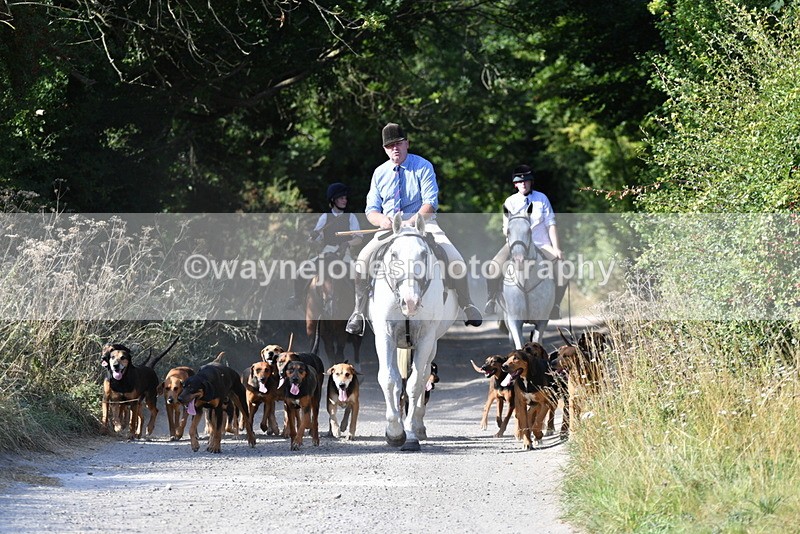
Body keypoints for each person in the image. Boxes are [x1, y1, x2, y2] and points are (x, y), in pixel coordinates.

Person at [344, 122, 483, 335]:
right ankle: (358, 312)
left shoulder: (422, 166)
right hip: (390, 228)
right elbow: (371, 210)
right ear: (384, 149)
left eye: (398, 144)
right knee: (363, 260)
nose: (395, 149)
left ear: (407, 143)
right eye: (390, 146)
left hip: (423, 224)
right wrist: (382, 221)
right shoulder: (379, 173)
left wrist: (411, 222)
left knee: (455, 258)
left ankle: (467, 304)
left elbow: (430, 202)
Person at [484, 164, 567, 319]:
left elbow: (550, 224)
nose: (523, 183)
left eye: (526, 181)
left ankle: (555, 306)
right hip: (516, 244)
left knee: (562, 271)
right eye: (520, 181)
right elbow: (505, 228)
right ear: (515, 184)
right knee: (493, 266)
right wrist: (514, 241)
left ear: (531, 182)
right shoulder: (510, 202)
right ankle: (492, 299)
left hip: (541, 243)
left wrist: (556, 248)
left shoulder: (542, 199)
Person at [287, 182, 362, 309]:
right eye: (341, 198)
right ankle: (298, 298)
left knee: (360, 274)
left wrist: (347, 243)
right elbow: (316, 238)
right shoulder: (324, 217)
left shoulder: (351, 217)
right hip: (326, 253)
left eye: (345, 198)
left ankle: (360, 306)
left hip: (345, 255)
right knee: (300, 271)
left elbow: (359, 238)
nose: (345, 200)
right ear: (333, 200)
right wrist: (312, 239)